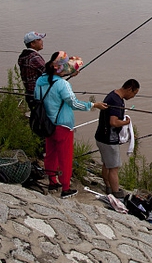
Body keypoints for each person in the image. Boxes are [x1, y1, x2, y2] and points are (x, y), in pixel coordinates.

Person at [33, 52, 106, 198]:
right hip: (63, 126)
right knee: (65, 158)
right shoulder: (63, 84)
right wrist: (93, 105)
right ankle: (65, 188)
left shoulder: (40, 81)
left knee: (51, 154)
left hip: (47, 124)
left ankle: (52, 181)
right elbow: (73, 103)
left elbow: (40, 95)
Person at [95, 79, 141, 198]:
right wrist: (126, 122)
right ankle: (116, 193)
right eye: (134, 93)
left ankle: (108, 187)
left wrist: (129, 133)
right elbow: (114, 122)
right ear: (129, 89)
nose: (133, 96)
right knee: (114, 168)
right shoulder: (116, 101)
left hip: (101, 136)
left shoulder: (113, 95)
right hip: (109, 140)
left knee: (107, 164)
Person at [17, 31, 46, 106]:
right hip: (38, 95)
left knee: (36, 116)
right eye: (39, 40)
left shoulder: (23, 56)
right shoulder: (34, 57)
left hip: (29, 93)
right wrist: (70, 71)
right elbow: (48, 72)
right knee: (43, 117)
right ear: (32, 44)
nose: (41, 41)